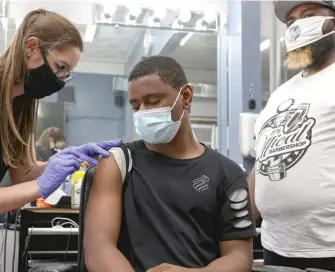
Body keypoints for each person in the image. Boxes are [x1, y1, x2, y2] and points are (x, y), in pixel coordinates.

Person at [0, 9, 120, 272]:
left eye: (67, 73)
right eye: (60, 67)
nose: (61, 79)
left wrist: (62, 160)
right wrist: (41, 186)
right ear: (32, 46)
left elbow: (22, 173)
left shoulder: (20, 105)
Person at [84, 56, 257, 272]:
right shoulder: (118, 162)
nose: (143, 112)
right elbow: (99, 249)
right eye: (136, 106)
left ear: (186, 96)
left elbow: (239, 257)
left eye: (153, 101)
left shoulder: (227, 173)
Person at [249, 1, 335, 270]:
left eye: (308, 15)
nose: (297, 25)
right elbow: (261, 164)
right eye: (290, 21)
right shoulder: (281, 93)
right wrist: (240, 225)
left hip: (328, 246)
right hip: (277, 245)